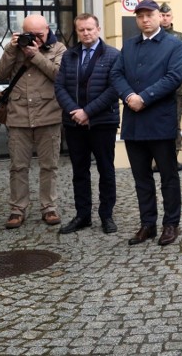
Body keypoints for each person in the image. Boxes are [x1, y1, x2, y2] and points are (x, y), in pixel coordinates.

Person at [111, 0, 182, 246]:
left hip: (160, 122)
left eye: (149, 15)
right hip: (134, 122)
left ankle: (171, 224)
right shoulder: (129, 45)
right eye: (140, 16)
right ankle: (147, 224)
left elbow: (174, 77)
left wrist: (144, 97)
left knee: (168, 177)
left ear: (158, 16)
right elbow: (116, 74)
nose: (145, 20)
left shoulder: (174, 44)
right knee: (141, 178)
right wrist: (129, 95)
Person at [0, 14, 67, 229]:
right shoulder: (14, 49)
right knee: (18, 167)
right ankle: (17, 209)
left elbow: (60, 75)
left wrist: (35, 56)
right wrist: (11, 49)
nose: (35, 39)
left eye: (39, 34)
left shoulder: (59, 48)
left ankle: (49, 207)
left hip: (49, 114)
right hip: (18, 116)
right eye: (30, 35)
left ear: (48, 29)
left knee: (49, 166)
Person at [54, 13, 121, 235]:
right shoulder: (70, 55)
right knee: (79, 171)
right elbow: (60, 87)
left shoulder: (113, 55)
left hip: (102, 122)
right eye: (81, 30)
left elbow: (114, 89)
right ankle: (83, 215)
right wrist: (75, 112)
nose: (85, 33)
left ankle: (106, 215)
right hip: (74, 123)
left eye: (89, 29)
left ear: (98, 29)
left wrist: (88, 112)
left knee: (105, 169)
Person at [159, 2, 182, 169]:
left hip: (176, 89)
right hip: (156, 88)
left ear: (171, 17)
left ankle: (173, 157)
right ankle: (158, 159)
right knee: (156, 122)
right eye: (162, 15)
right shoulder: (153, 36)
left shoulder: (180, 37)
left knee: (174, 123)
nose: (164, 18)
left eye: (167, 16)